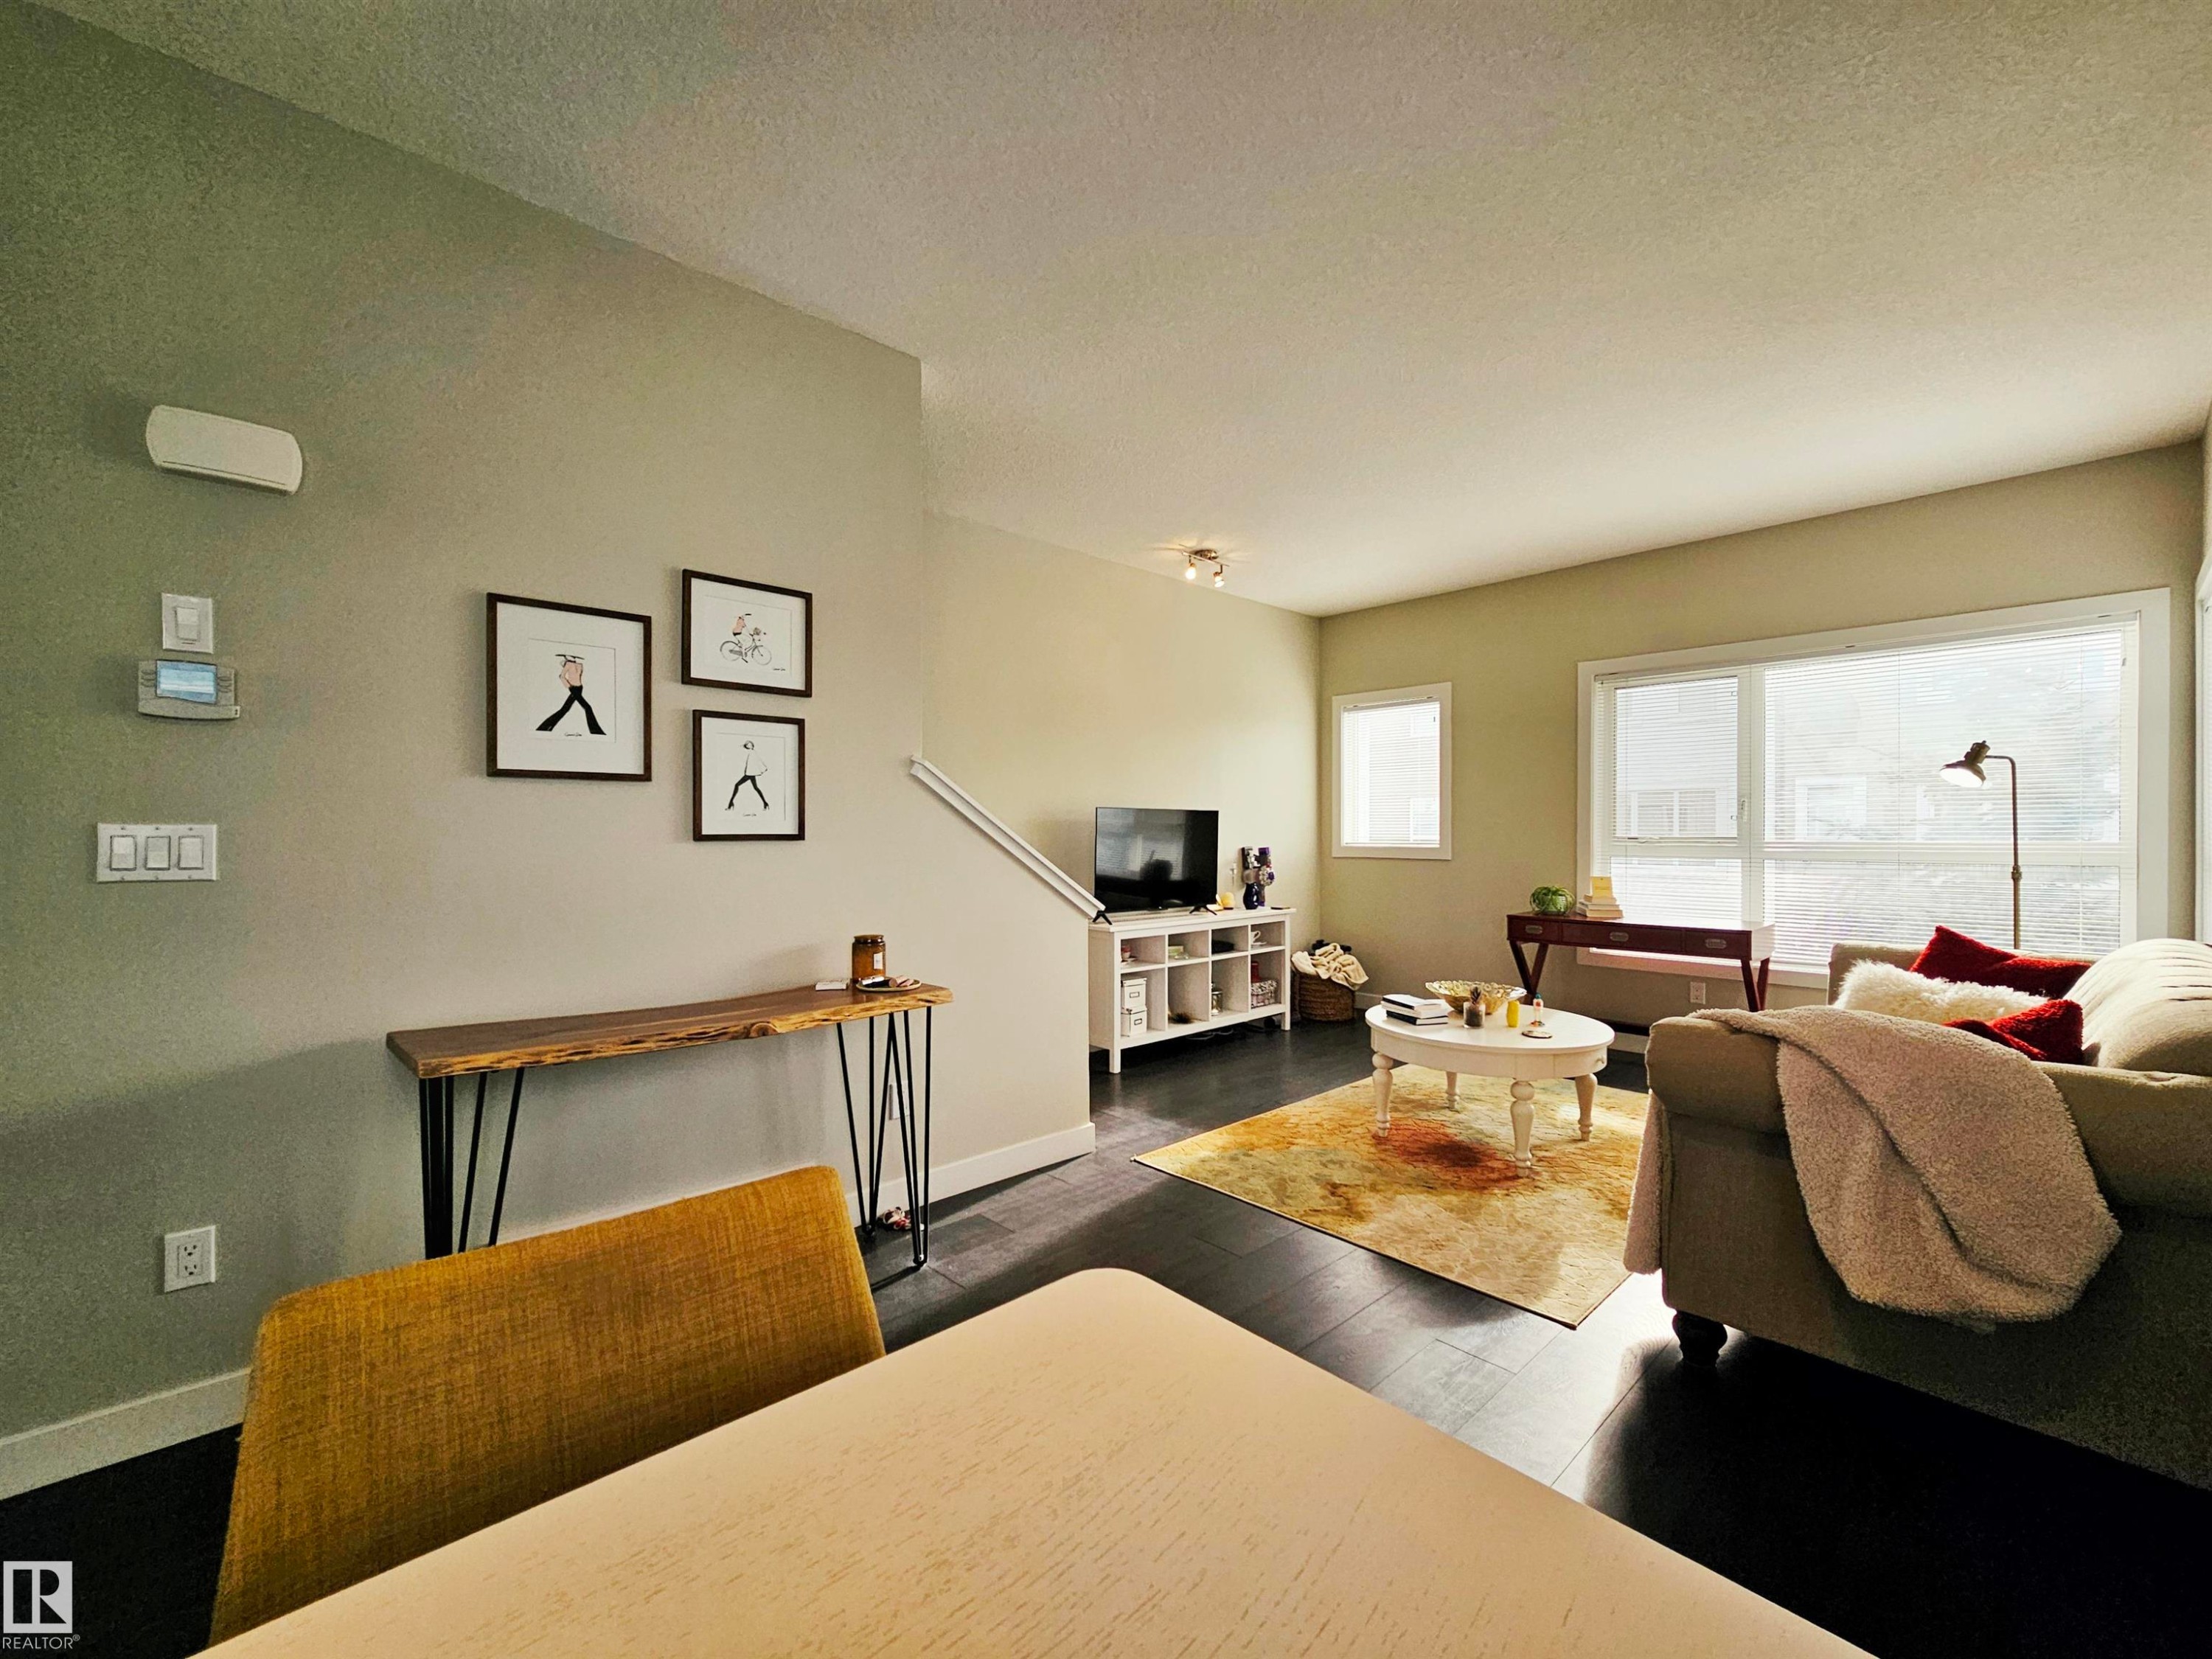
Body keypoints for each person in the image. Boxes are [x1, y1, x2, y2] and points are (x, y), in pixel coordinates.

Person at [536, 653, 605, 735]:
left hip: (580, 688)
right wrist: (569, 687)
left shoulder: (580, 665)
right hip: (574, 688)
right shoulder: (569, 664)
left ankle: (544, 727)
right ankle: (596, 731)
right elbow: (562, 677)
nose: (570, 657)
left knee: (566, 709)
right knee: (587, 707)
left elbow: (578, 677)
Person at [727, 739, 771, 812]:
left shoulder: (753, 752)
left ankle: (730, 804)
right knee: (756, 788)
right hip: (750, 773)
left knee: (737, 785)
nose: (749, 746)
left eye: (750, 744)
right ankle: (765, 804)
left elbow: (759, 760)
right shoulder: (750, 752)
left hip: (750, 773)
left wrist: (764, 767)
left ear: (752, 746)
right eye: (747, 745)